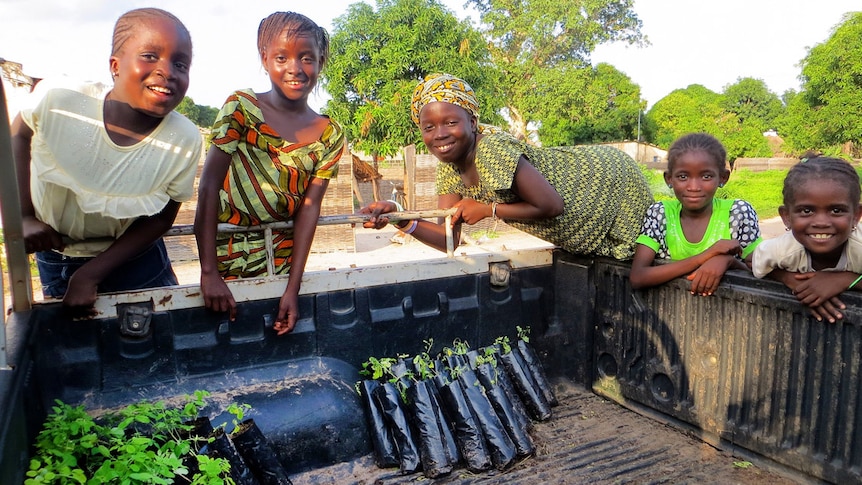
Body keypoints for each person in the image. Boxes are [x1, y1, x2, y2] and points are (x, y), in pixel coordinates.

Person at [11, 8, 201, 318]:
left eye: (180, 63)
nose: (167, 71)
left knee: (158, 342)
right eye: (150, 56)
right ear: (115, 65)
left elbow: (161, 219)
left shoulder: (184, 138)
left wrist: (90, 274)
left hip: (137, 259)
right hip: (58, 254)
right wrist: (23, 216)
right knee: (80, 351)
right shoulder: (61, 100)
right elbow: (18, 135)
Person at [359, 73, 652, 259]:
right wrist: (400, 218)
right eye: (428, 127)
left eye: (450, 122)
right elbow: (449, 240)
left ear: (472, 122)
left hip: (611, 184)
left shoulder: (490, 149)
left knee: (648, 253)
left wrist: (489, 210)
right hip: (582, 230)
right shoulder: (449, 169)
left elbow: (552, 206)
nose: (439, 134)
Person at [194, 12, 346, 335]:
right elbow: (208, 187)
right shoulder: (241, 109)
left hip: (283, 259)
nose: (295, 68)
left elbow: (309, 208)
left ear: (321, 62)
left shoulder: (330, 135)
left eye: (307, 58)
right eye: (282, 57)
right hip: (228, 254)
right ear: (265, 59)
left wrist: (293, 287)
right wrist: (208, 271)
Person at [629, 133, 762, 294]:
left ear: (723, 178)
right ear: (669, 179)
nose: (693, 187)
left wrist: (728, 261)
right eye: (683, 176)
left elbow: (758, 272)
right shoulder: (660, 214)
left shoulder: (737, 214)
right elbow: (638, 277)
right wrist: (708, 254)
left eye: (706, 176)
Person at [752, 157, 862, 323]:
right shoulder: (782, 250)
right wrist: (790, 280)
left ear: (856, 216)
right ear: (786, 217)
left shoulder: (859, 248)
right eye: (806, 211)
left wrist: (846, 280)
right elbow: (751, 261)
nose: (821, 223)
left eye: (836, 210)